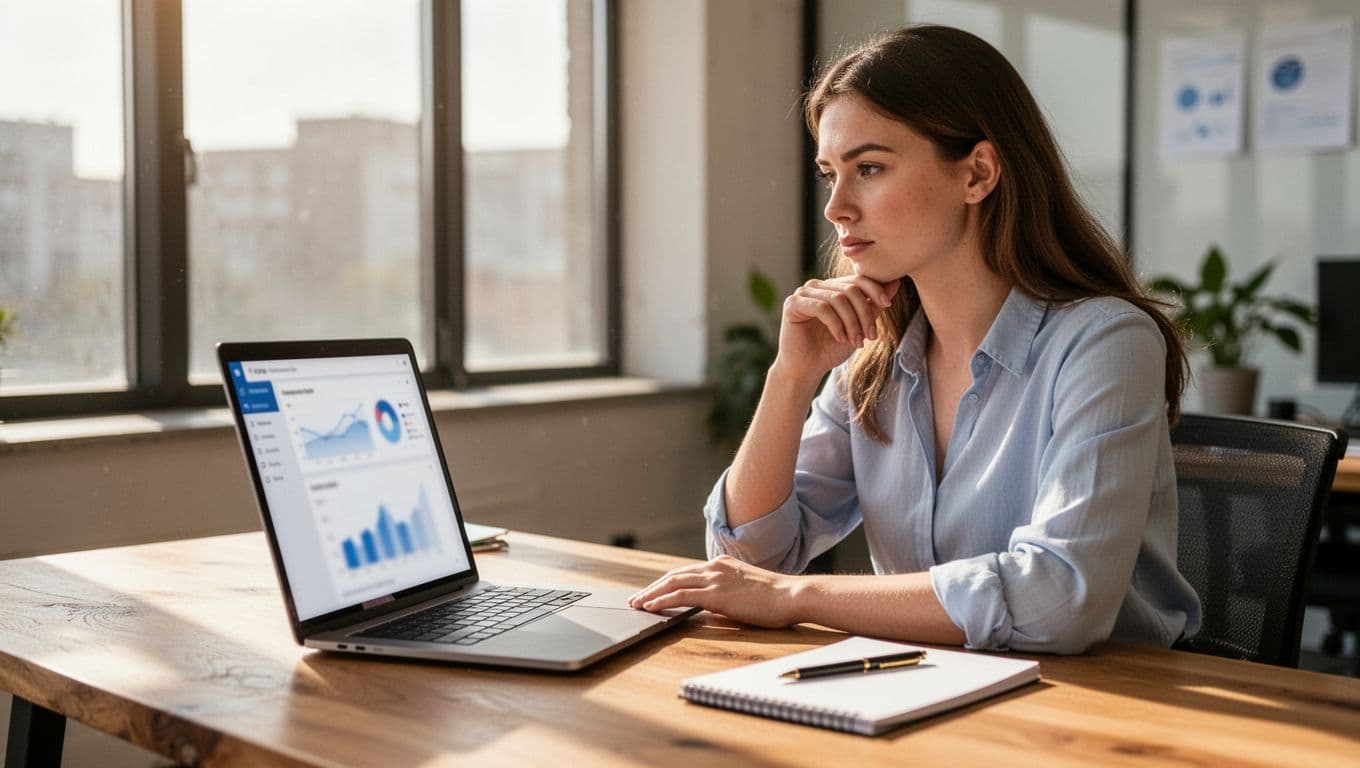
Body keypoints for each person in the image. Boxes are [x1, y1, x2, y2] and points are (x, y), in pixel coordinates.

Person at [629, 25, 1202, 654]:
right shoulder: (874, 360)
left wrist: (798, 599)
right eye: (830, 175)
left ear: (978, 173)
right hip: (924, 693)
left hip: (1108, 712)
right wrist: (790, 379)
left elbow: (1061, 597)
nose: (837, 208)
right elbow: (747, 556)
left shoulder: (1103, 342)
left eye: (869, 168)